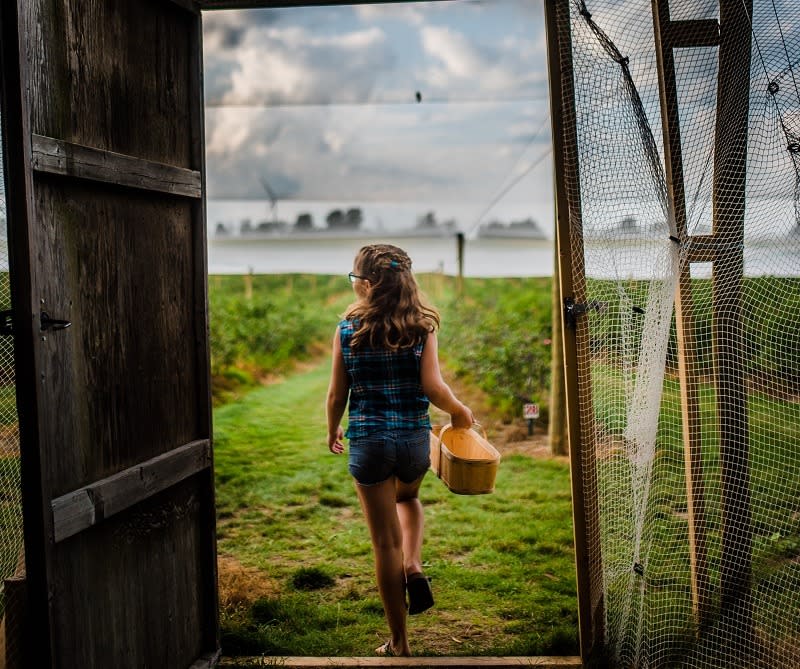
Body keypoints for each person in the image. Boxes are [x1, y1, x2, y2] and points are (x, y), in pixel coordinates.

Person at [326, 244, 474, 657]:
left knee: (383, 544)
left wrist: (332, 427)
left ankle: (400, 641)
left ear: (368, 285)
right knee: (408, 498)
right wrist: (460, 412)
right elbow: (434, 387)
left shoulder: (347, 329)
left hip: (370, 444)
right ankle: (414, 563)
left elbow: (338, 392)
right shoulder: (422, 327)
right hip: (412, 443)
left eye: (354, 279)